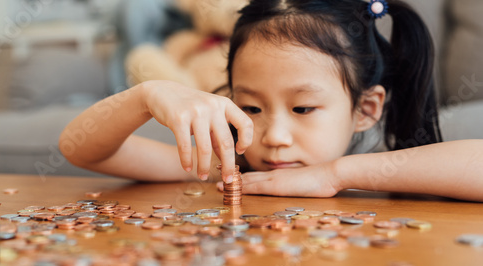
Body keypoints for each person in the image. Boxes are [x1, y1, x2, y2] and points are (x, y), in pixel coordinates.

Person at [60, 0, 483, 202]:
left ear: (365, 110)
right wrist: (146, 96)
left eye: (302, 109)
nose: (275, 136)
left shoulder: (393, 165)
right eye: (251, 108)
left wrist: (336, 174)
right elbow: (79, 149)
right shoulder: (231, 167)